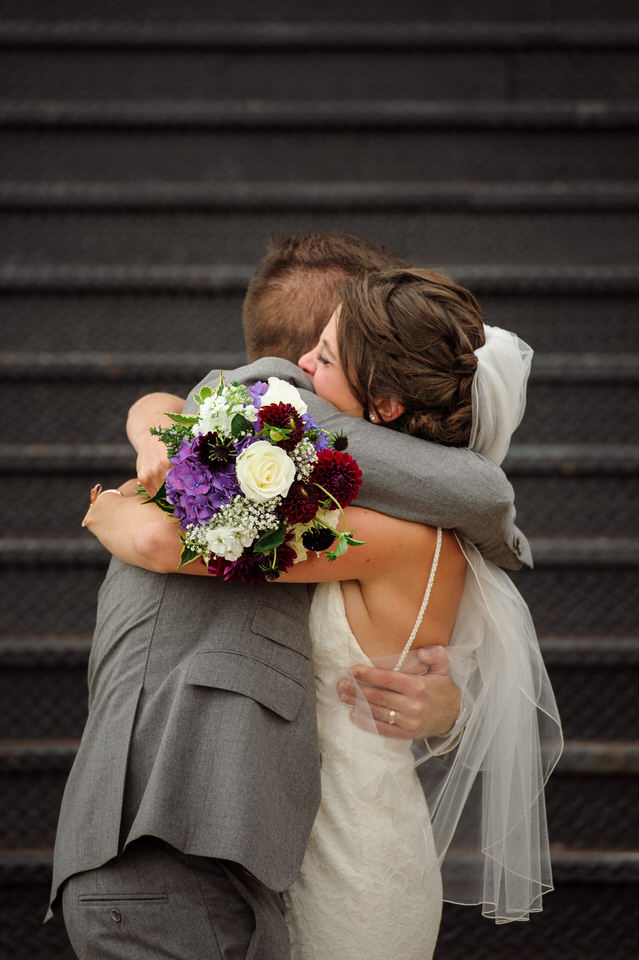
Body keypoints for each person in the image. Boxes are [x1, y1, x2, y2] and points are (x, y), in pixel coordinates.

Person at [54, 236, 532, 960]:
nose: (304, 372)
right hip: (256, 848)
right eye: (310, 355)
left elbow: (172, 547)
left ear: (383, 395)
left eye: (327, 358)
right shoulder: (254, 475)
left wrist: (127, 495)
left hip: (323, 847)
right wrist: (156, 415)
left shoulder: (319, 506)